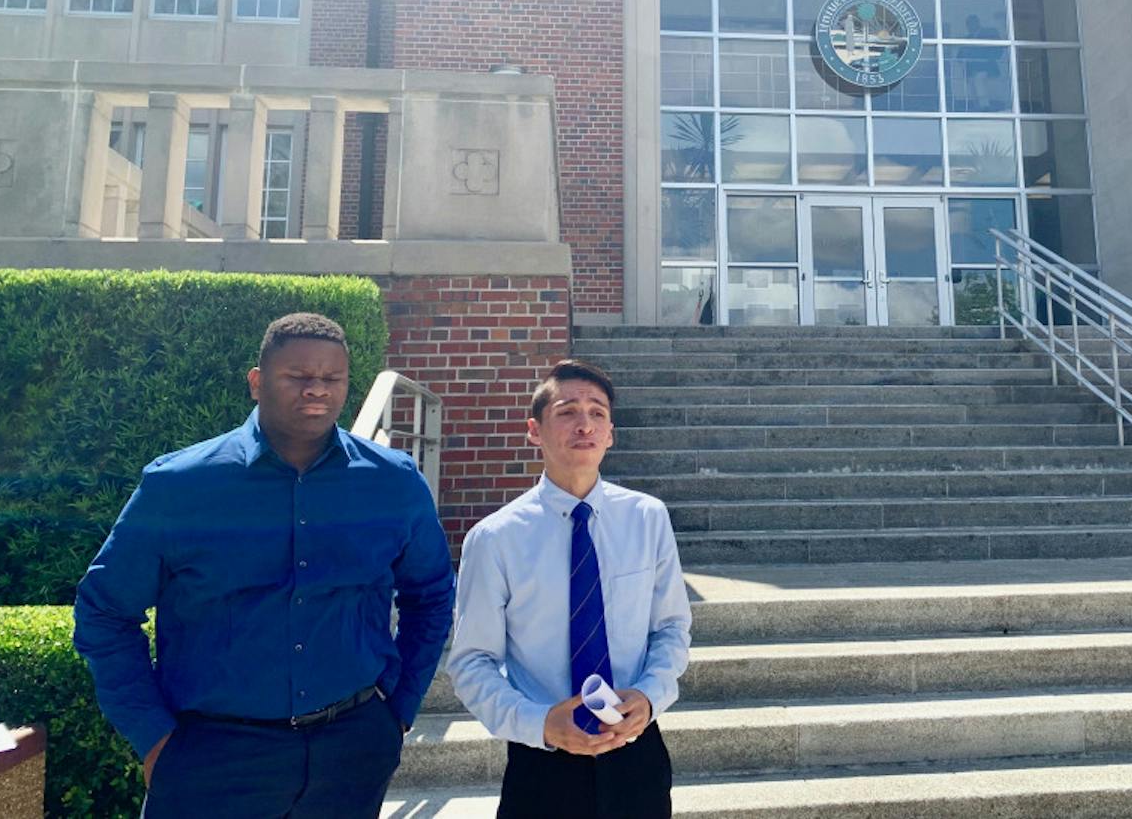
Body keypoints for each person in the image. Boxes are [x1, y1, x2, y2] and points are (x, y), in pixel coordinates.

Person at [73, 312, 455, 818]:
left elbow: (430, 595)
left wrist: (399, 711)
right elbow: (104, 612)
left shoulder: (393, 481)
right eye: (297, 377)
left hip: (351, 751)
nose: (316, 389)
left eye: (332, 378)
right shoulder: (181, 487)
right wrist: (153, 738)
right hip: (212, 757)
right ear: (257, 382)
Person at [448, 359, 691, 819]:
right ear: (534, 431)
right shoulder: (495, 538)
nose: (585, 424)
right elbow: (472, 662)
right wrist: (541, 724)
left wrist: (649, 695)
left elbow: (672, 628)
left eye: (597, 413)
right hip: (542, 758)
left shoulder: (647, 518)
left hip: (636, 749)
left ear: (611, 433)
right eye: (567, 411)